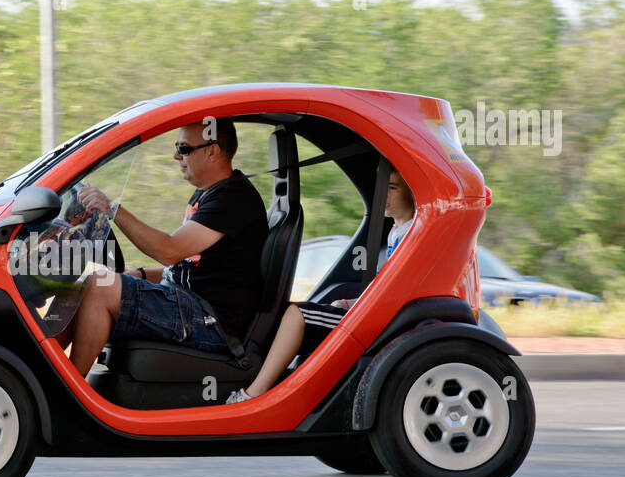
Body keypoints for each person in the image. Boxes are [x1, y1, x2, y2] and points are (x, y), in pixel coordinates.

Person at [64, 118, 268, 376]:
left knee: (99, 286)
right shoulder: (210, 194)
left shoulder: (233, 199)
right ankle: (42, 369)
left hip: (210, 322)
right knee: (90, 284)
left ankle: (65, 395)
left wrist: (112, 209)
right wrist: (139, 274)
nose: (175, 156)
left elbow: (169, 251)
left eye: (184, 149)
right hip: (191, 308)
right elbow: (188, 268)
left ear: (212, 151)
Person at [227, 164, 416, 403]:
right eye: (382, 188)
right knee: (301, 310)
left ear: (411, 191)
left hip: (383, 324)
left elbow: (398, 293)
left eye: (391, 188)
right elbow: (388, 287)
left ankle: (254, 395)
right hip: (375, 313)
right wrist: (351, 302)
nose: (383, 195)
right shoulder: (396, 231)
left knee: (298, 315)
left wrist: (356, 306)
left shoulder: (412, 234)